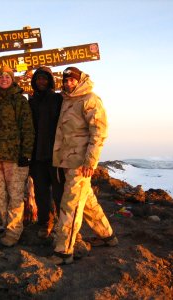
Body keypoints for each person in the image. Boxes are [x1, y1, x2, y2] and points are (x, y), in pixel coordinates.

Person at [49, 67, 118, 265]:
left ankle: (64, 251)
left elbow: (99, 133)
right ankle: (108, 236)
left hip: (80, 163)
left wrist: (90, 161)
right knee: (86, 202)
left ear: (80, 80)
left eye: (72, 80)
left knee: (70, 205)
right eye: (66, 80)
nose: (68, 83)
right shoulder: (66, 99)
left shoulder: (90, 99)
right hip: (66, 161)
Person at [0, 66, 35, 247]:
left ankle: (13, 233)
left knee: (15, 196)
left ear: (12, 79)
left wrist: (26, 154)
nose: (4, 79)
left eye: (7, 76)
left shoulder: (19, 100)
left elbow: (27, 128)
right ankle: (10, 227)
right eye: (1, 76)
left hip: (15, 157)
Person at [28, 67, 64, 239]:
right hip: (37, 156)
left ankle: (63, 224)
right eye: (38, 79)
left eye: (44, 79)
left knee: (59, 192)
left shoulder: (58, 99)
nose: (41, 82)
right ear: (34, 82)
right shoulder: (32, 101)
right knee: (41, 192)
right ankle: (45, 222)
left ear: (50, 81)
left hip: (55, 155)